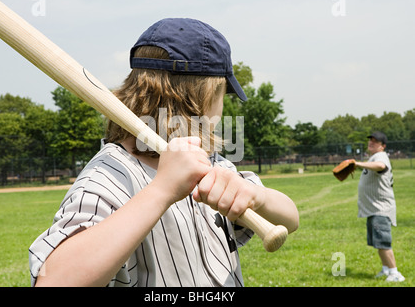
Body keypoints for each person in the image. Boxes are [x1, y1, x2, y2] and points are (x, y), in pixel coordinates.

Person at [28, 18, 299, 287]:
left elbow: (290, 218)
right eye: (223, 95)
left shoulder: (210, 162)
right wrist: (161, 191)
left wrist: (257, 197)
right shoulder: (110, 175)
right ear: (203, 98)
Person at [354, 131, 405, 282]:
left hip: (381, 209)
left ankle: (395, 273)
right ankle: (386, 269)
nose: (371, 143)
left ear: (383, 146)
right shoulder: (373, 157)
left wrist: (357, 163)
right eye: (370, 140)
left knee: (383, 242)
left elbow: (381, 166)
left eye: (376, 141)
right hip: (374, 209)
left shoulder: (381, 157)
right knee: (378, 242)